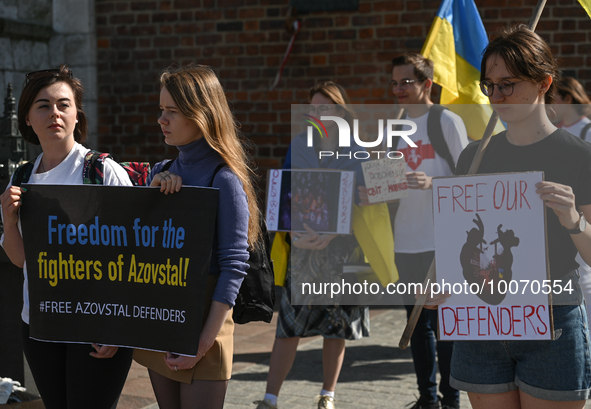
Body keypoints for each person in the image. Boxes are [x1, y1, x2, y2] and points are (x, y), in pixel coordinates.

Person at [447, 25, 591, 409]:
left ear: (544, 82)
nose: (496, 95)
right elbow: (460, 242)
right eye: (489, 85)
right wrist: (442, 284)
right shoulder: (473, 157)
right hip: (482, 321)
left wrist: (573, 219)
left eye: (508, 84)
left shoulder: (578, 156)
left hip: (552, 320)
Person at [0, 65, 134, 408]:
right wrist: (9, 218)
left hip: (97, 327)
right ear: (28, 118)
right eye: (43, 106)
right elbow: (19, 259)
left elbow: (138, 254)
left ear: (77, 115)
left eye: (63, 104)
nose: (54, 113)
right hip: (41, 325)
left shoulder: (102, 171)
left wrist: (118, 326)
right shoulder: (23, 175)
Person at [133, 64, 260, 409]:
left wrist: (204, 342)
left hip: (206, 321)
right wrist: (151, 194)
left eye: (172, 111)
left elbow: (234, 266)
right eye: (161, 110)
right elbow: (136, 243)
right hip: (162, 318)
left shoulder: (225, 179)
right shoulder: (160, 172)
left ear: (202, 114)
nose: (161, 119)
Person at [255, 81, 370, 409]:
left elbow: (367, 202)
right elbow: (283, 195)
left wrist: (335, 233)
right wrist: (292, 233)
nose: (319, 114)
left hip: (341, 250)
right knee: (289, 327)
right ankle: (270, 398)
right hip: (304, 249)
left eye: (326, 108)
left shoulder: (358, 149)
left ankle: (327, 395)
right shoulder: (299, 145)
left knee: (336, 328)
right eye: (314, 109)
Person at [382, 53, 468, 409]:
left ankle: (451, 398)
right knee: (416, 322)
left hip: (443, 241)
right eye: (394, 82)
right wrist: (372, 191)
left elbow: (469, 179)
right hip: (406, 239)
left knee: (445, 323)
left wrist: (434, 182)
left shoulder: (446, 120)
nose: (398, 89)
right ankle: (427, 398)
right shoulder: (393, 126)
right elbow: (385, 180)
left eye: (406, 82)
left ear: (427, 84)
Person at [553, 76, 591, 320]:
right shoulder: (557, 132)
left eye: (552, 97)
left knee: (585, 278)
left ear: (566, 98)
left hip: (580, 214)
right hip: (559, 217)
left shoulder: (587, 130)